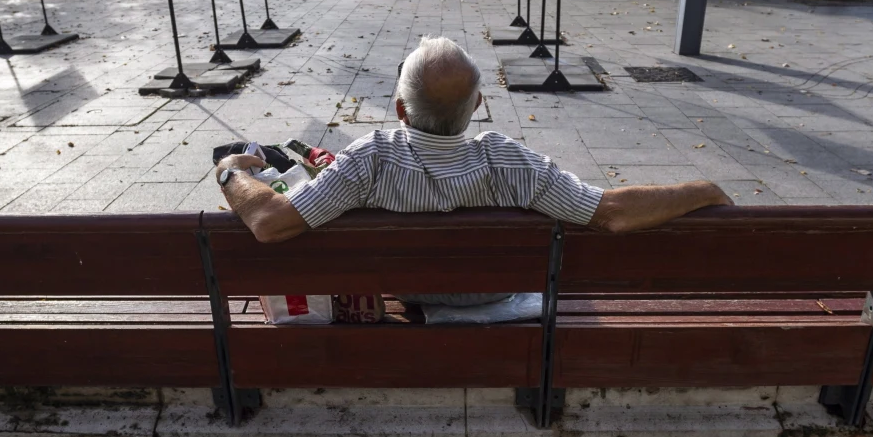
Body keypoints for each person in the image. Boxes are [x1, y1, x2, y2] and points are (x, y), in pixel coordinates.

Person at [213, 37, 733, 310]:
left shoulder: (368, 159)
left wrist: (230, 168)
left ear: (400, 109)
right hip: (494, 293)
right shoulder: (508, 160)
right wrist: (702, 188)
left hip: (408, 293)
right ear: (478, 105)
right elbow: (612, 214)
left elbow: (269, 221)